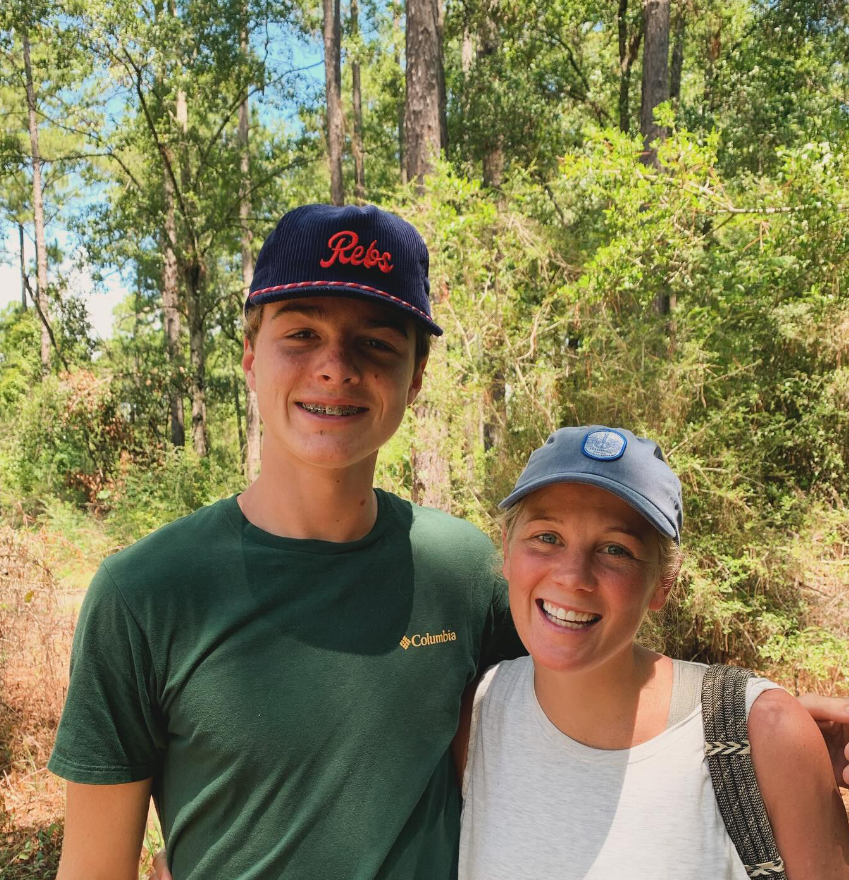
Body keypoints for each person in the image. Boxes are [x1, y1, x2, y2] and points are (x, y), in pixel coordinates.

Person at [50, 205, 848, 880]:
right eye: (301, 334)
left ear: (415, 377)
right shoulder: (144, 593)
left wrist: (765, 721)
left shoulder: (463, 568)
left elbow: (572, 695)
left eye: (375, 343)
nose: (335, 368)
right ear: (252, 355)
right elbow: (94, 866)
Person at [457, 426, 849, 879]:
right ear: (506, 551)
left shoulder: (761, 734)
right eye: (547, 537)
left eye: (615, 549)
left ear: (663, 582)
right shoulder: (478, 717)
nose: (572, 576)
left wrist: (781, 737)